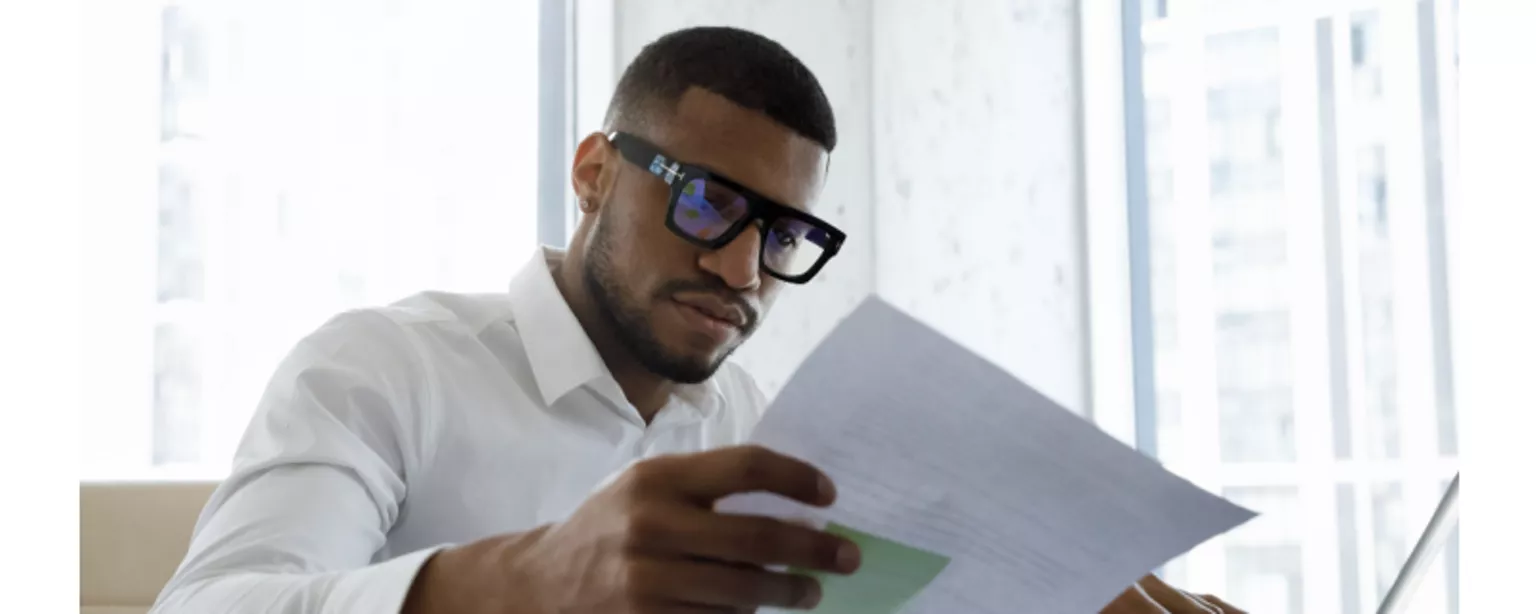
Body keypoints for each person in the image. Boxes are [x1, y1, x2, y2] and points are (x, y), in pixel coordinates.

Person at [151, 26, 1243, 614]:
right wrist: (525, 581)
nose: (741, 266)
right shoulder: (382, 370)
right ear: (593, 172)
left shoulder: (756, 427)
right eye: (708, 200)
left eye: (781, 234)